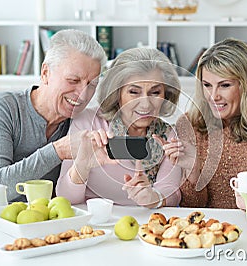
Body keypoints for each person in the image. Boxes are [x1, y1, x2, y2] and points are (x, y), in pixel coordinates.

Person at [0, 29, 107, 202]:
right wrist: (57, 151)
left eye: (91, 84)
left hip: (27, 220)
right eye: (73, 80)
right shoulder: (2, 106)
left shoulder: (80, 123)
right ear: (45, 73)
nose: (83, 94)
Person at [159, 38, 247, 209]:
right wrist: (193, 171)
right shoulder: (188, 124)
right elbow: (192, 206)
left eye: (224, 85)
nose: (213, 96)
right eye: (207, 85)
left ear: (246, 85)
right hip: (207, 229)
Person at [56, 47, 182, 208]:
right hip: (93, 223)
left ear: (166, 95)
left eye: (155, 92)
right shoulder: (87, 123)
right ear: (117, 94)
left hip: (143, 224)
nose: (145, 104)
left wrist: (153, 197)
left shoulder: (168, 135)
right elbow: (64, 198)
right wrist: (81, 167)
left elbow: (172, 194)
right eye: (134, 92)